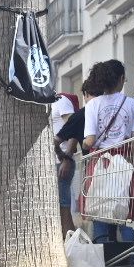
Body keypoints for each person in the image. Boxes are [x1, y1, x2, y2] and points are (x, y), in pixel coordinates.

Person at [82, 60, 134, 152]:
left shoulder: (92, 104)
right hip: (124, 159)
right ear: (121, 78)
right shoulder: (131, 103)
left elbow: (90, 141)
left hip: (101, 160)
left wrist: (84, 145)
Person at [51, 90, 80, 234]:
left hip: (61, 162)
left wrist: (67, 158)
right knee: (57, 210)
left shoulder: (60, 100)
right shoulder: (44, 102)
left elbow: (74, 127)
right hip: (51, 164)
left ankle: (74, 248)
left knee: (64, 209)